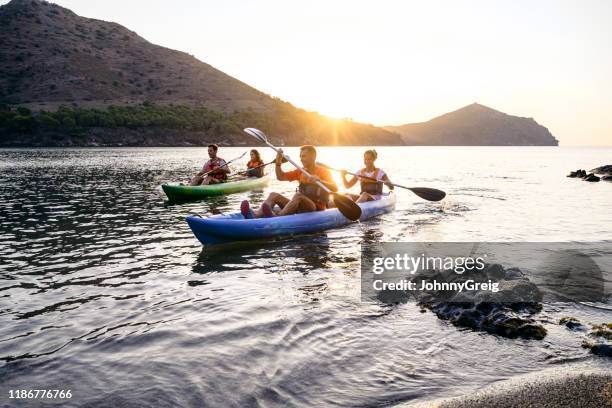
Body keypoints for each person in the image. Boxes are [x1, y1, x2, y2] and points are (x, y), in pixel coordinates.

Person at [240, 145, 337, 218]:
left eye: (304, 156)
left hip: (315, 208)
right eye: (300, 156)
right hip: (300, 206)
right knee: (274, 195)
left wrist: (320, 181)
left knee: (298, 195)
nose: (301, 159)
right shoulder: (301, 171)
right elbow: (280, 177)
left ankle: (278, 217)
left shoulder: (323, 172)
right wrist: (278, 163)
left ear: (313, 157)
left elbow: (335, 188)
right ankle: (255, 214)